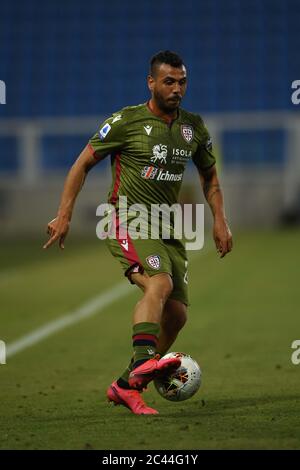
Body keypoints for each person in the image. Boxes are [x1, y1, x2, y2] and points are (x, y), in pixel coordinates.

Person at [43, 50, 233, 415]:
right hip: (127, 219)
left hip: (169, 227)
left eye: (182, 82)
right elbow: (82, 164)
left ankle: (126, 386)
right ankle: (145, 361)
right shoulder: (125, 121)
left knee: (176, 316)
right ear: (151, 82)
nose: (177, 88)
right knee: (158, 284)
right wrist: (63, 214)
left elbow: (210, 176)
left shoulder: (193, 127)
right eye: (169, 81)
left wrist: (220, 220)